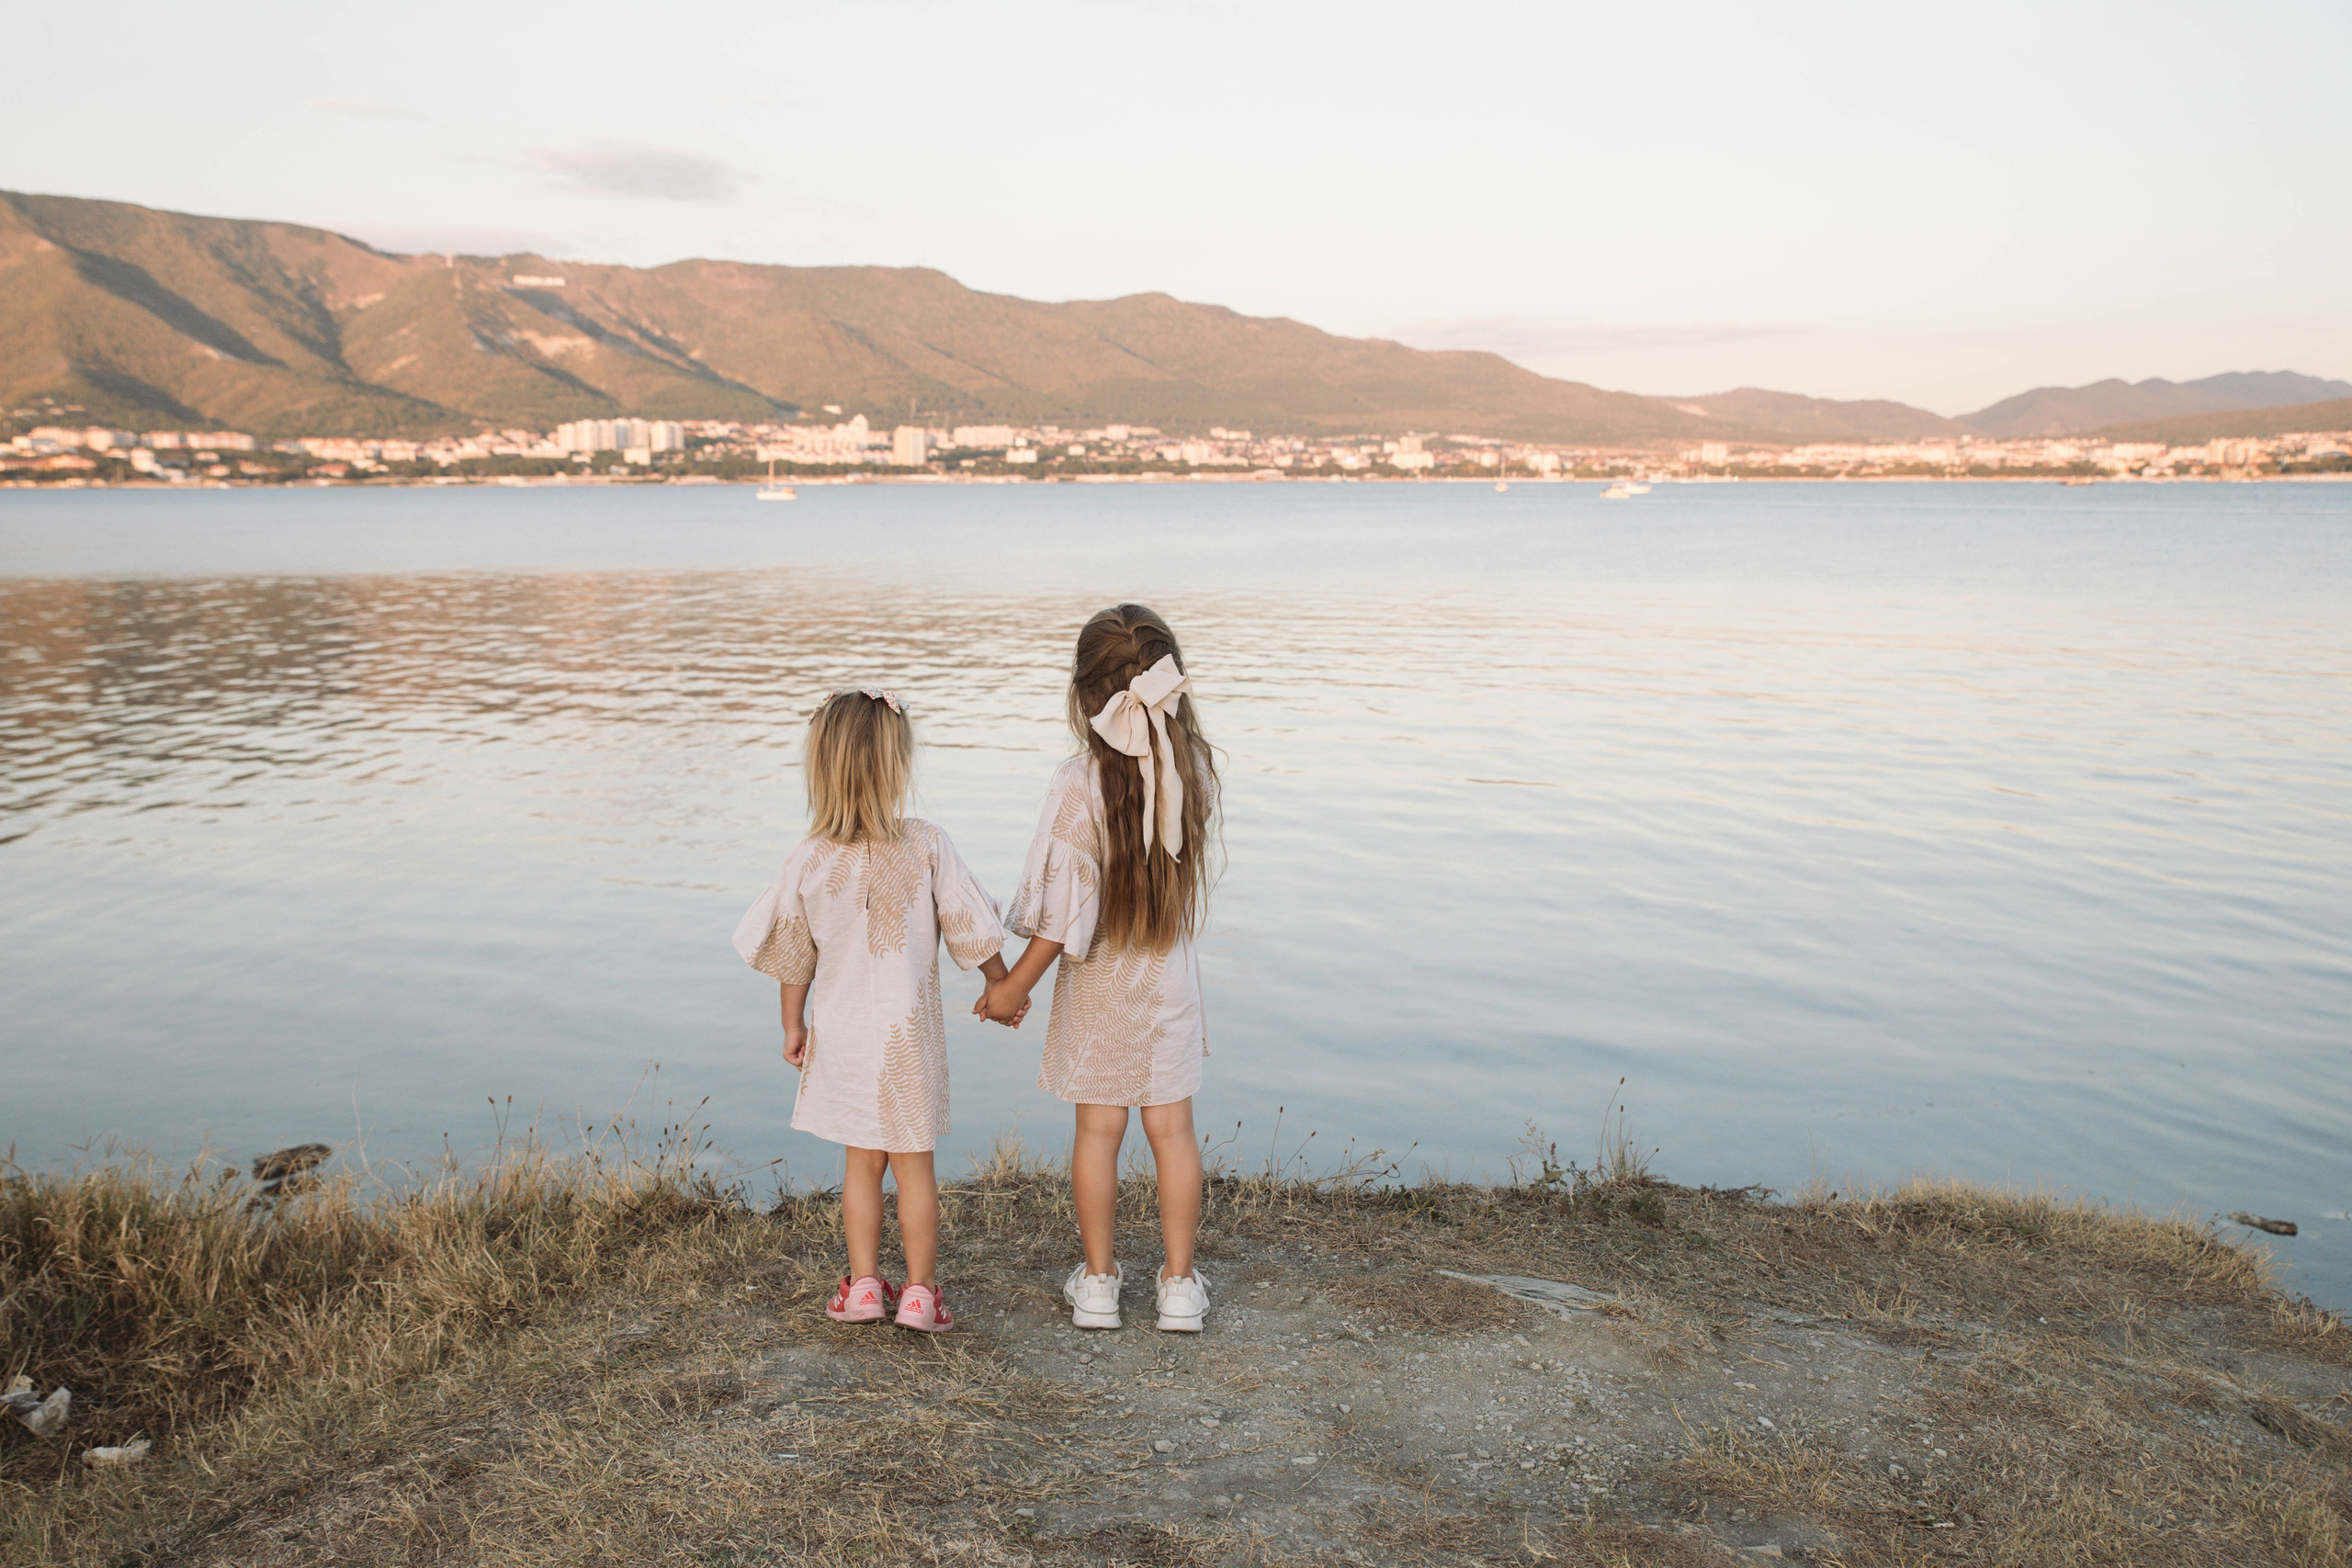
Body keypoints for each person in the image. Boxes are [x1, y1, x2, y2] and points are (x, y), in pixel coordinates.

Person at [733, 687, 1017, 1334]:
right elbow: (973, 928)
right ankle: (918, 1294)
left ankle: (863, 1285)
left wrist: (792, 1024)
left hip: (844, 1038)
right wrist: (1002, 989)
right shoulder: (927, 844)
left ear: (822, 770)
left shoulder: (806, 858)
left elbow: (791, 957)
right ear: (897, 766)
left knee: (861, 1163)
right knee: (913, 1165)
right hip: (907, 1039)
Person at [981, 606, 1219, 1333]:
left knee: (1098, 1133)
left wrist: (1012, 984)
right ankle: (1178, 1287)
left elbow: (1062, 914)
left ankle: (1099, 1284)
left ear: (1087, 697)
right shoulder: (1194, 766)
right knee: (1173, 1132)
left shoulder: (1078, 783)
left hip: (1098, 983)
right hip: (1167, 978)